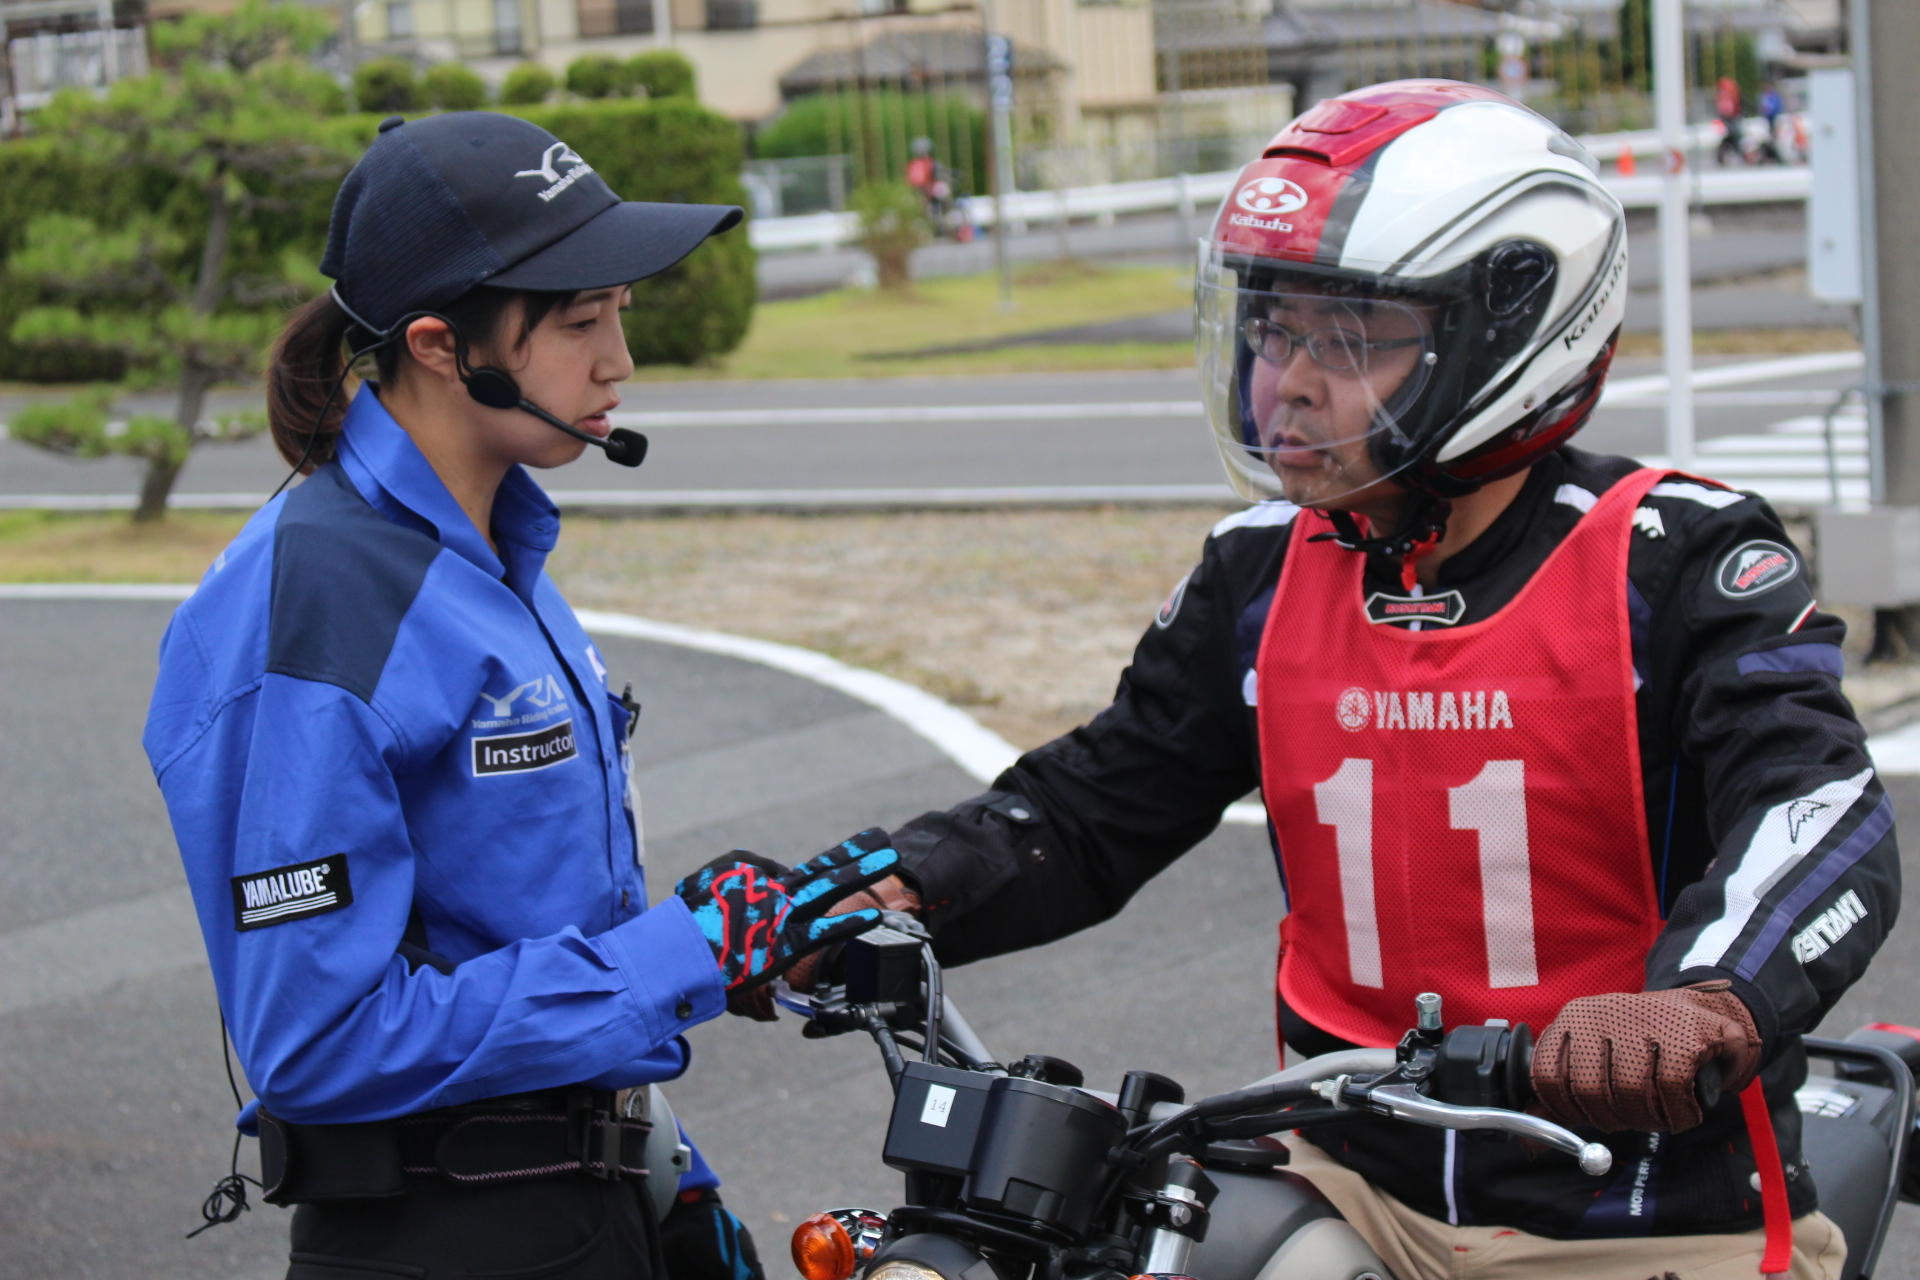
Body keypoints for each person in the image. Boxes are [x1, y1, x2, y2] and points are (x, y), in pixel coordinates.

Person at [806, 81, 1895, 1279]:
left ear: (1508, 331)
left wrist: (1704, 1001)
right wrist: (890, 887)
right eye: (1275, 328)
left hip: (1633, 1206)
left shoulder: (1676, 556)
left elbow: (1821, 808)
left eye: (1353, 335)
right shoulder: (1260, 566)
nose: (1291, 382)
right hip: (1337, 1172)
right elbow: (1090, 810)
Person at [143, 111, 899, 1280]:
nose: (619, 363)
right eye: (581, 321)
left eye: (621, 316)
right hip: (438, 1233)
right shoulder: (316, 601)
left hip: (593, 1193)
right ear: (445, 346)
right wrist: (674, 955)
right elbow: (318, 1038)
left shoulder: (498, 545)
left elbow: (525, 925)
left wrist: (663, 1145)